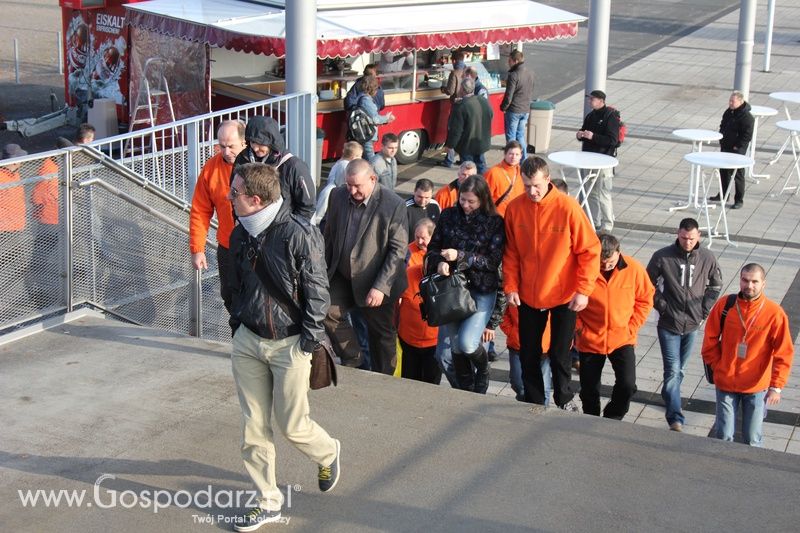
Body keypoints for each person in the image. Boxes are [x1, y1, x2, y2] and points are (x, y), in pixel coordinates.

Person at [226, 163, 340, 531]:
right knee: (253, 428)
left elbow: (318, 293)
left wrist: (306, 343)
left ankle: (328, 452)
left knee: (293, 426)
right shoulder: (240, 233)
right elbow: (235, 285)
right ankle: (267, 501)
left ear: (255, 199)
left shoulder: (297, 235)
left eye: (235, 193)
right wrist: (238, 325)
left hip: (289, 343)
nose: (230, 198)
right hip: (248, 340)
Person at [504, 156, 601, 411]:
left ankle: (564, 399)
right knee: (528, 353)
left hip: (563, 295)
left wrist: (583, 290)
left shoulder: (568, 208)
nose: (532, 192)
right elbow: (511, 252)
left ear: (547, 180)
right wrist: (511, 286)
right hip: (528, 294)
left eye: (536, 185)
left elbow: (590, 250)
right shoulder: (515, 209)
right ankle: (534, 402)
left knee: (560, 354)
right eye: (526, 186)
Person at [323, 158, 408, 374]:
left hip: (376, 279)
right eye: (348, 185)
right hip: (342, 275)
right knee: (324, 310)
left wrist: (380, 287)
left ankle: (384, 380)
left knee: (381, 335)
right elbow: (329, 235)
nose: (351, 191)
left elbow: (397, 251)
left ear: (373, 179)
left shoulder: (393, 204)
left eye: (357, 186)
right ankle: (355, 360)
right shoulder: (337, 195)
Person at [425, 175, 505, 393]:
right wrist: (440, 262)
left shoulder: (494, 222)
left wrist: (459, 255)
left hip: (481, 290)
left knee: (466, 343)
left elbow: (492, 261)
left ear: (483, 199)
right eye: (463, 200)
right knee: (453, 350)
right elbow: (432, 248)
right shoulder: (449, 215)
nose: (466, 205)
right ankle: (467, 390)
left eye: (472, 201)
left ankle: (483, 370)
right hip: (452, 290)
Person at [702, 263, 794, 447]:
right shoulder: (726, 305)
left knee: (752, 438)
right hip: (726, 382)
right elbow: (709, 340)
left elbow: (784, 352)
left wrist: (776, 386)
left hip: (756, 386)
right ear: (740, 280)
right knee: (723, 436)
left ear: (763, 283)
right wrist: (718, 366)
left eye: (754, 281)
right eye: (745, 280)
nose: (749, 285)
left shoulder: (774, 313)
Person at [646, 217, 722, 432]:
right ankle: (675, 417)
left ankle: (670, 395)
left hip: (692, 324)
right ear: (677, 235)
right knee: (672, 369)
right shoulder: (662, 256)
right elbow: (647, 283)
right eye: (683, 238)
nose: (687, 242)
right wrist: (662, 306)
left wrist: (704, 309)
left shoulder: (707, 257)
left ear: (698, 236)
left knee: (681, 371)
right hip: (668, 322)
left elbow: (715, 284)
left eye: (691, 238)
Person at [576, 234, 654, 419]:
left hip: (622, 338)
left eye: (610, 262)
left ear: (619, 252)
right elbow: (570, 299)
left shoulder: (634, 269)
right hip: (590, 338)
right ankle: (590, 418)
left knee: (627, 384)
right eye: (602, 263)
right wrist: (579, 328)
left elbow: (645, 299)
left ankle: (613, 416)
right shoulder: (584, 268)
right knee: (589, 388)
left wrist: (632, 326)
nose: (606, 267)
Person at [190, 120, 247, 312]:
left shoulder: (255, 166)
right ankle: (237, 337)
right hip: (228, 245)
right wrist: (198, 248)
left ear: (244, 143)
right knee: (229, 296)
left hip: (256, 245)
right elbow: (200, 209)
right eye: (221, 146)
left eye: (231, 146)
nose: (226, 152)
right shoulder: (211, 169)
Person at [231, 116, 316, 219]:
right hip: (249, 229)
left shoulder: (294, 166)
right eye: (253, 142)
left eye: (261, 143)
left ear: (272, 142)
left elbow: (307, 206)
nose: (256, 148)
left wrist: (291, 230)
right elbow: (235, 193)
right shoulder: (242, 159)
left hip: (283, 230)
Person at [398, 218, 442, 384]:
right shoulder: (409, 271)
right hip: (409, 339)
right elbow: (397, 301)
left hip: (433, 342)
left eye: (424, 238)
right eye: (417, 237)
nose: (419, 241)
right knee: (409, 380)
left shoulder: (444, 276)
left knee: (430, 382)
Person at [576, 90, 620, 233]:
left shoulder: (610, 116)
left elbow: (612, 140)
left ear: (601, 101)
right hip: (589, 160)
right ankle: (594, 222)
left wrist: (593, 136)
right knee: (592, 193)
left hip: (604, 160)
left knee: (603, 193)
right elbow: (584, 132)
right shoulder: (591, 116)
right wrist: (580, 135)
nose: (590, 102)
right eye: (590, 99)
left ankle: (607, 225)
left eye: (593, 99)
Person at [710, 90, 754, 209]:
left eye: (732, 101)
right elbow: (723, 125)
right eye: (729, 100)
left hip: (737, 150)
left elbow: (747, 136)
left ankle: (739, 200)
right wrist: (721, 137)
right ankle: (723, 194)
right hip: (725, 146)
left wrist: (737, 146)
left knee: (738, 174)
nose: (730, 103)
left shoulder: (747, 117)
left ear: (741, 101)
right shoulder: (729, 112)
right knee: (723, 172)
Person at [444, 78, 492, 175]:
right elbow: (490, 115)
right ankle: (482, 186)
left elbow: (456, 130)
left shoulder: (460, 107)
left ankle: (471, 187)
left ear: (462, 89)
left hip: (467, 145)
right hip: (481, 141)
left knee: (468, 171)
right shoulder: (483, 100)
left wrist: (450, 145)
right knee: (481, 166)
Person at [312, 141, 363, 227]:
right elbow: (341, 183)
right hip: (332, 192)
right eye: (359, 156)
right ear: (353, 157)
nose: (361, 158)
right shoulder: (345, 166)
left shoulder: (341, 162)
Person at [500, 50, 535, 159]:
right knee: (520, 136)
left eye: (509, 61)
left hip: (514, 110)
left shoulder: (514, 75)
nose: (508, 63)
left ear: (515, 61)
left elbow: (509, 95)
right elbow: (531, 90)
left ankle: (511, 159)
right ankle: (523, 159)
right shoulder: (530, 73)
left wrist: (503, 107)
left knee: (511, 137)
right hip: (525, 109)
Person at [355, 76, 395, 160]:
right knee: (372, 162)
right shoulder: (366, 100)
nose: (377, 91)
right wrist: (386, 118)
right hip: (367, 135)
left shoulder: (361, 97)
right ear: (372, 89)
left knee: (364, 161)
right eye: (376, 88)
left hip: (364, 133)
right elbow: (375, 119)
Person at [439, 50, 466, 168]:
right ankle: (463, 158)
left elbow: (450, 91)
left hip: (456, 106)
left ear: (454, 60)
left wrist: (443, 88)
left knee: (452, 132)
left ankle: (449, 160)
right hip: (467, 105)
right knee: (463, 132)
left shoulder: (454, 73)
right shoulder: (467, 71)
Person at [484, 140, 524, 217]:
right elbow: (484, 197)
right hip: (500, 217)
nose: (513, 157)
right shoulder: (493, 172)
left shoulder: (522, 172)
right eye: (511, 154)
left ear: (521, 156)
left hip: (517, 215)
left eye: (517, 154)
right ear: (505, 154)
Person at [405, 178, 441, 242]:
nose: (423, 201)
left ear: (432, 194)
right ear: (414, 192)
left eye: (427, 197)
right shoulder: (405, 208)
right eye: (420, 197)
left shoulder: (435, 205)